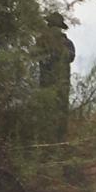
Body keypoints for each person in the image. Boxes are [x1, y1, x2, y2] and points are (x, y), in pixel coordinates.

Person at [37, 12, 76, 140]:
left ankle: (60, 139)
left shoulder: (67, 43)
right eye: (50, 25)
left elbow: (70, 56)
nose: (50, 27)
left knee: (61, 111)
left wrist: (58, 48)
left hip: (62, 83)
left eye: (52, 25)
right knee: (44, 111)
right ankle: (45, 137)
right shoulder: (42, 41)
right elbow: (37, 56)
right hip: (45, 82)